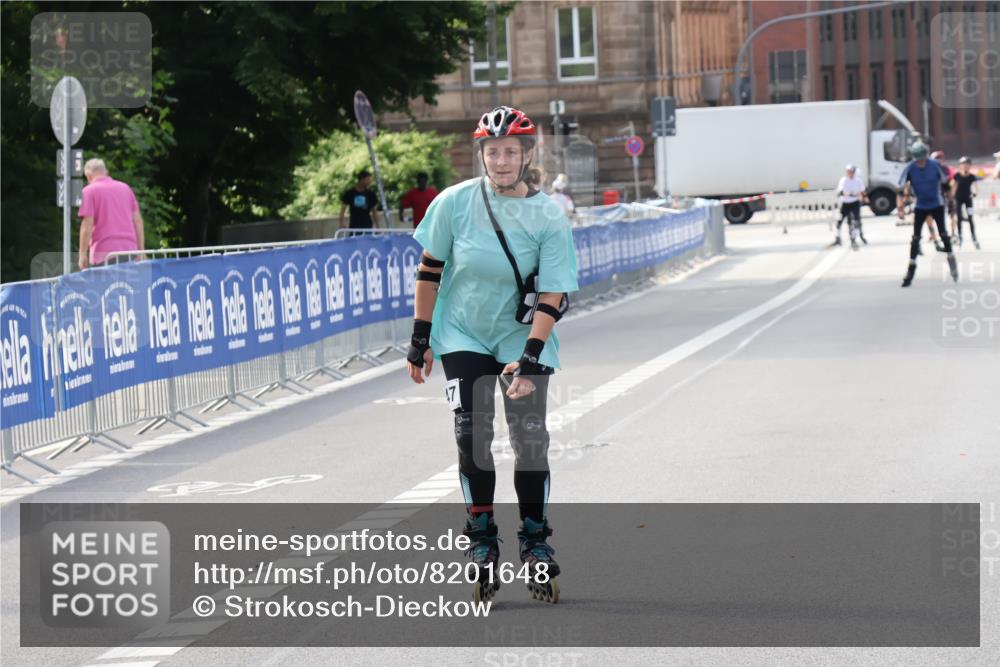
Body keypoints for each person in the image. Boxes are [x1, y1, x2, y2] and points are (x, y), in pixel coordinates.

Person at [405, 105, 578, 603]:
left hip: (521, 336)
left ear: (527, 155)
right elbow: (430, 270)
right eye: (492, 151)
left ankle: (535, 542)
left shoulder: (547, 213)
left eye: (510, 152)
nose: (501, 161)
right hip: (462, 332)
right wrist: (420, 338)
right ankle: (481, 541)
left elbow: (553, 295)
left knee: (529, 439)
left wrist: (529, 358)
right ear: (481, 155)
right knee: (472, 435)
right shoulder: (454, 202)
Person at [897, 142, 958, 287]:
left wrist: (951, 204)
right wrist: (900, 207)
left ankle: (952, 262)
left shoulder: (935, 165)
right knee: (916, 237)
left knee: (943, 234)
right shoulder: (910, 168)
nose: (921, 162)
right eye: (918, 159)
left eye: (923, 158)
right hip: (920, 205)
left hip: (937, 204)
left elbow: (946, 185)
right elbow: (901, 188)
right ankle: (910, 270)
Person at [77, 158, 144, 270]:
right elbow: (137, 221)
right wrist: (141, 250)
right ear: (106, 172)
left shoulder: (88, 191)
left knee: (106, 287)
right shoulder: (125, 188)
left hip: (103, 253)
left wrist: (82, 255)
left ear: (88, 176)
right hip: (130, 251)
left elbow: (87, 224)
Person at [833, 164, 867, 250]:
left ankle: (855, 238)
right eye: (848, 172)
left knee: (856, 221)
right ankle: (837, 237)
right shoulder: (843, 180)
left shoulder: (858, 180)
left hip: (855, 203)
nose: (849, 173)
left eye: (851, 172)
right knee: (839, 220)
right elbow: (840, 192)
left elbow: (862, 191)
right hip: (845, 203)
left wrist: (863, 197)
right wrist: (850, 194)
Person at [951, 156, 981, 250]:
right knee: (959, 218)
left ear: (970, 166)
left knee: (971, 218)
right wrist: (951, 196)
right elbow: (953, 186)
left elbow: (976, 187)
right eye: (963, 165)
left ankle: (974, 237)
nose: (965, 166)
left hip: (968, 199)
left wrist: (974, 194)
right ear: (960, 166)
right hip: (958, 199)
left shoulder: (971, 176)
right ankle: (960, 237)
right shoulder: (957, 176)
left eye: (967, 165)